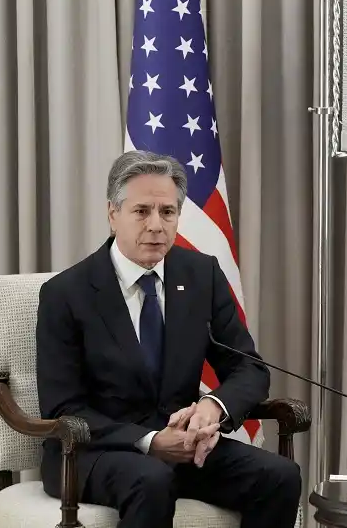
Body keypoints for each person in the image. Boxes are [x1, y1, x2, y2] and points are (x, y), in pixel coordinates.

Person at [36, 150, 301, 528]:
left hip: (184, 447)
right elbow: (64, 406)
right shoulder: (66, 293)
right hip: (92, 450)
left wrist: (213, 408)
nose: (156, 225)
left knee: (280, 476)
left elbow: (248, 367)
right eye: (142, 211)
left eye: (168, 212)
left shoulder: (201, 276)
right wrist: (150, 441)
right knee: (152, 479)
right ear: (113, 215)